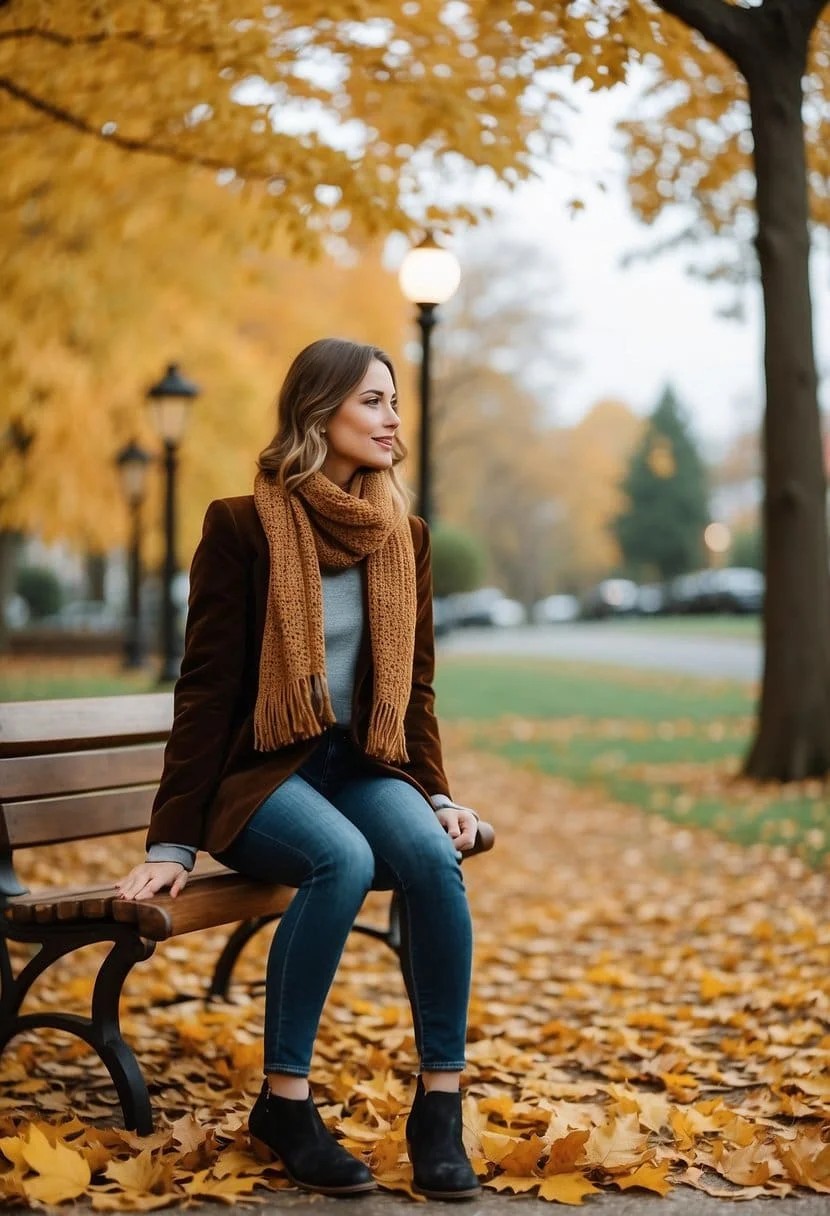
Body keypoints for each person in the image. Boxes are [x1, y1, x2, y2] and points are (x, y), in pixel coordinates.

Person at [116, 338, 481, 1200]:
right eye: (373, 402)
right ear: (319, 412)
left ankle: (440, 1106)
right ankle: (285, 1103)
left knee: (433, 857)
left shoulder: (405, 537)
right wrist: (170, 844)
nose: (394, 420)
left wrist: (435, 792)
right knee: (343, 859)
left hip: (359, 766)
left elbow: (414, 687)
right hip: (262, 779)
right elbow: (204, 690)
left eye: (395, 402)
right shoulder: (242, 526)